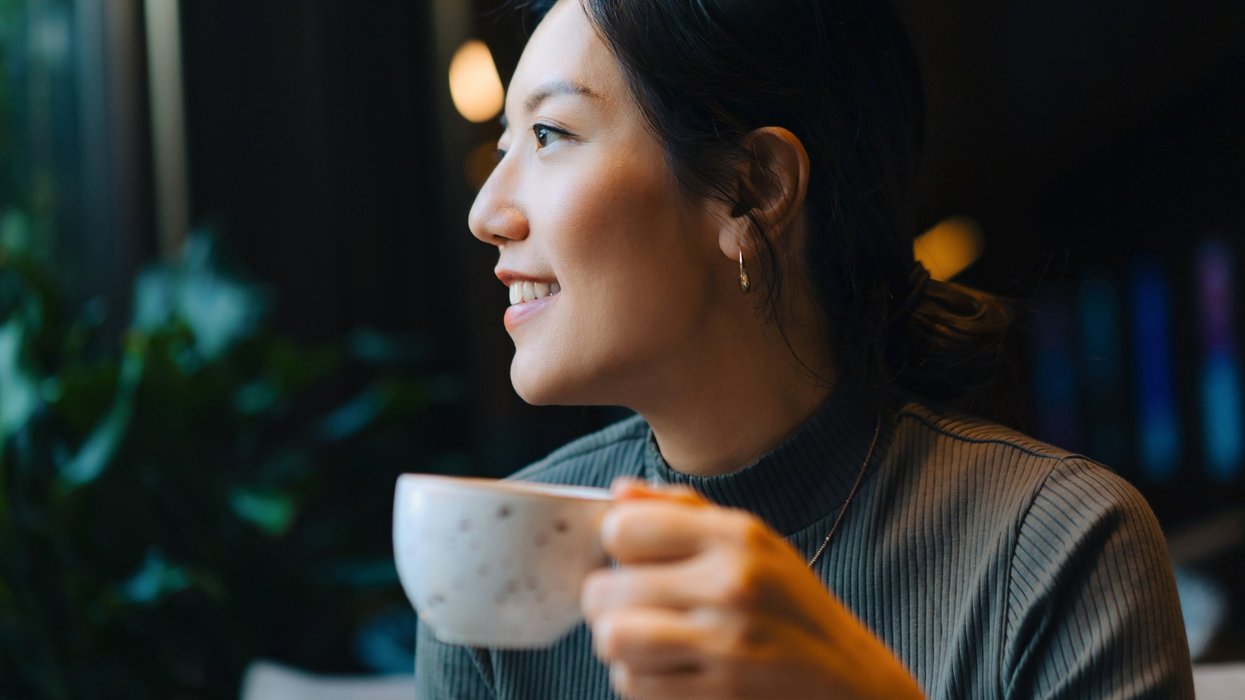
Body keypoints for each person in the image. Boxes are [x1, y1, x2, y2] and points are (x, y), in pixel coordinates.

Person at [417, 0, 1195, 697]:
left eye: (549, 134)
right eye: (504, 141)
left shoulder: (1057, 548)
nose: (487, 210)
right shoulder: (493, 560)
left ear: (752, 189)